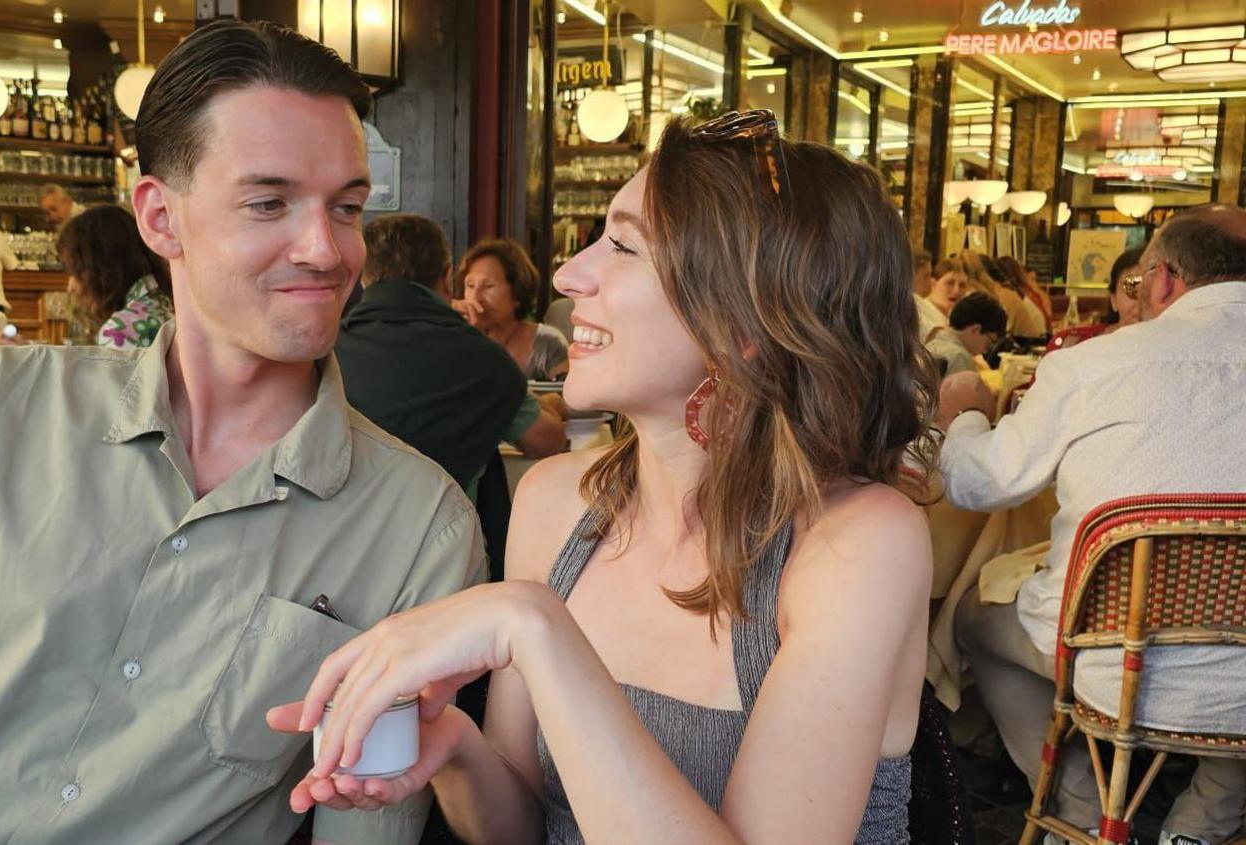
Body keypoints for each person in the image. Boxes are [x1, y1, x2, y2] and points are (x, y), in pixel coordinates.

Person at [0, 20, 483, 845]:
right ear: (160, 217)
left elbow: (367, 828)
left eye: (346, 208)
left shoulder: (418, 524)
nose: (326, 248)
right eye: (268, 202)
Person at [270, 112, 938, 843]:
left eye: (621, 245)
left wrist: (532, 623)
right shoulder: (558, 503)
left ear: (744, 321)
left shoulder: (858, 543)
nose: (567, 274)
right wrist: (456, 751)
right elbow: (524, 826)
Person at [940, 205, 1246, 845]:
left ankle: (1079, 811)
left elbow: (977, 484)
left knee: (972, 616)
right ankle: (1200, 827)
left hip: (1115, 670)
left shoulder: (1094, 365)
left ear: (1161, 280)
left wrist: (965, 414)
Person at [336, 212, 565, 495]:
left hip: (338, 534)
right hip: (447, 533)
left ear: (364, 279)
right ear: (447, 278)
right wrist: (553, 404)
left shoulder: (325, 355)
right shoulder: (483, 360)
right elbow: (548, 441)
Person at [56, 204, 173, 349]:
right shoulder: (165, 301)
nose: (70, 286)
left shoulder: (121, 332)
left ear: (103, 269)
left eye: (77, 273)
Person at [452, 238, 568, 381]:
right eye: (470, 286)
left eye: (488, 286)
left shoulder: (548, 343)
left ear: (517, 292)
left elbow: (561, 401)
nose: (475, 297)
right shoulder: (454, 339)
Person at [926, 292, 1005, 378]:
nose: (986, 350)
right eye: (989, 342)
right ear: (976, 330)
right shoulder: (959, 357)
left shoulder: (933, 343)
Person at [1101, 247, 1144, 333]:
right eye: (1131, 290)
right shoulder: (1080, 341)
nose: (1140, 302)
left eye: (1148, 292)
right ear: (1114, 300)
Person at [912, 248, 946, 342]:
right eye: (926, 276)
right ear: (910, 277)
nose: (931, 281)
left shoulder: (923, 303)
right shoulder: (911, 304)